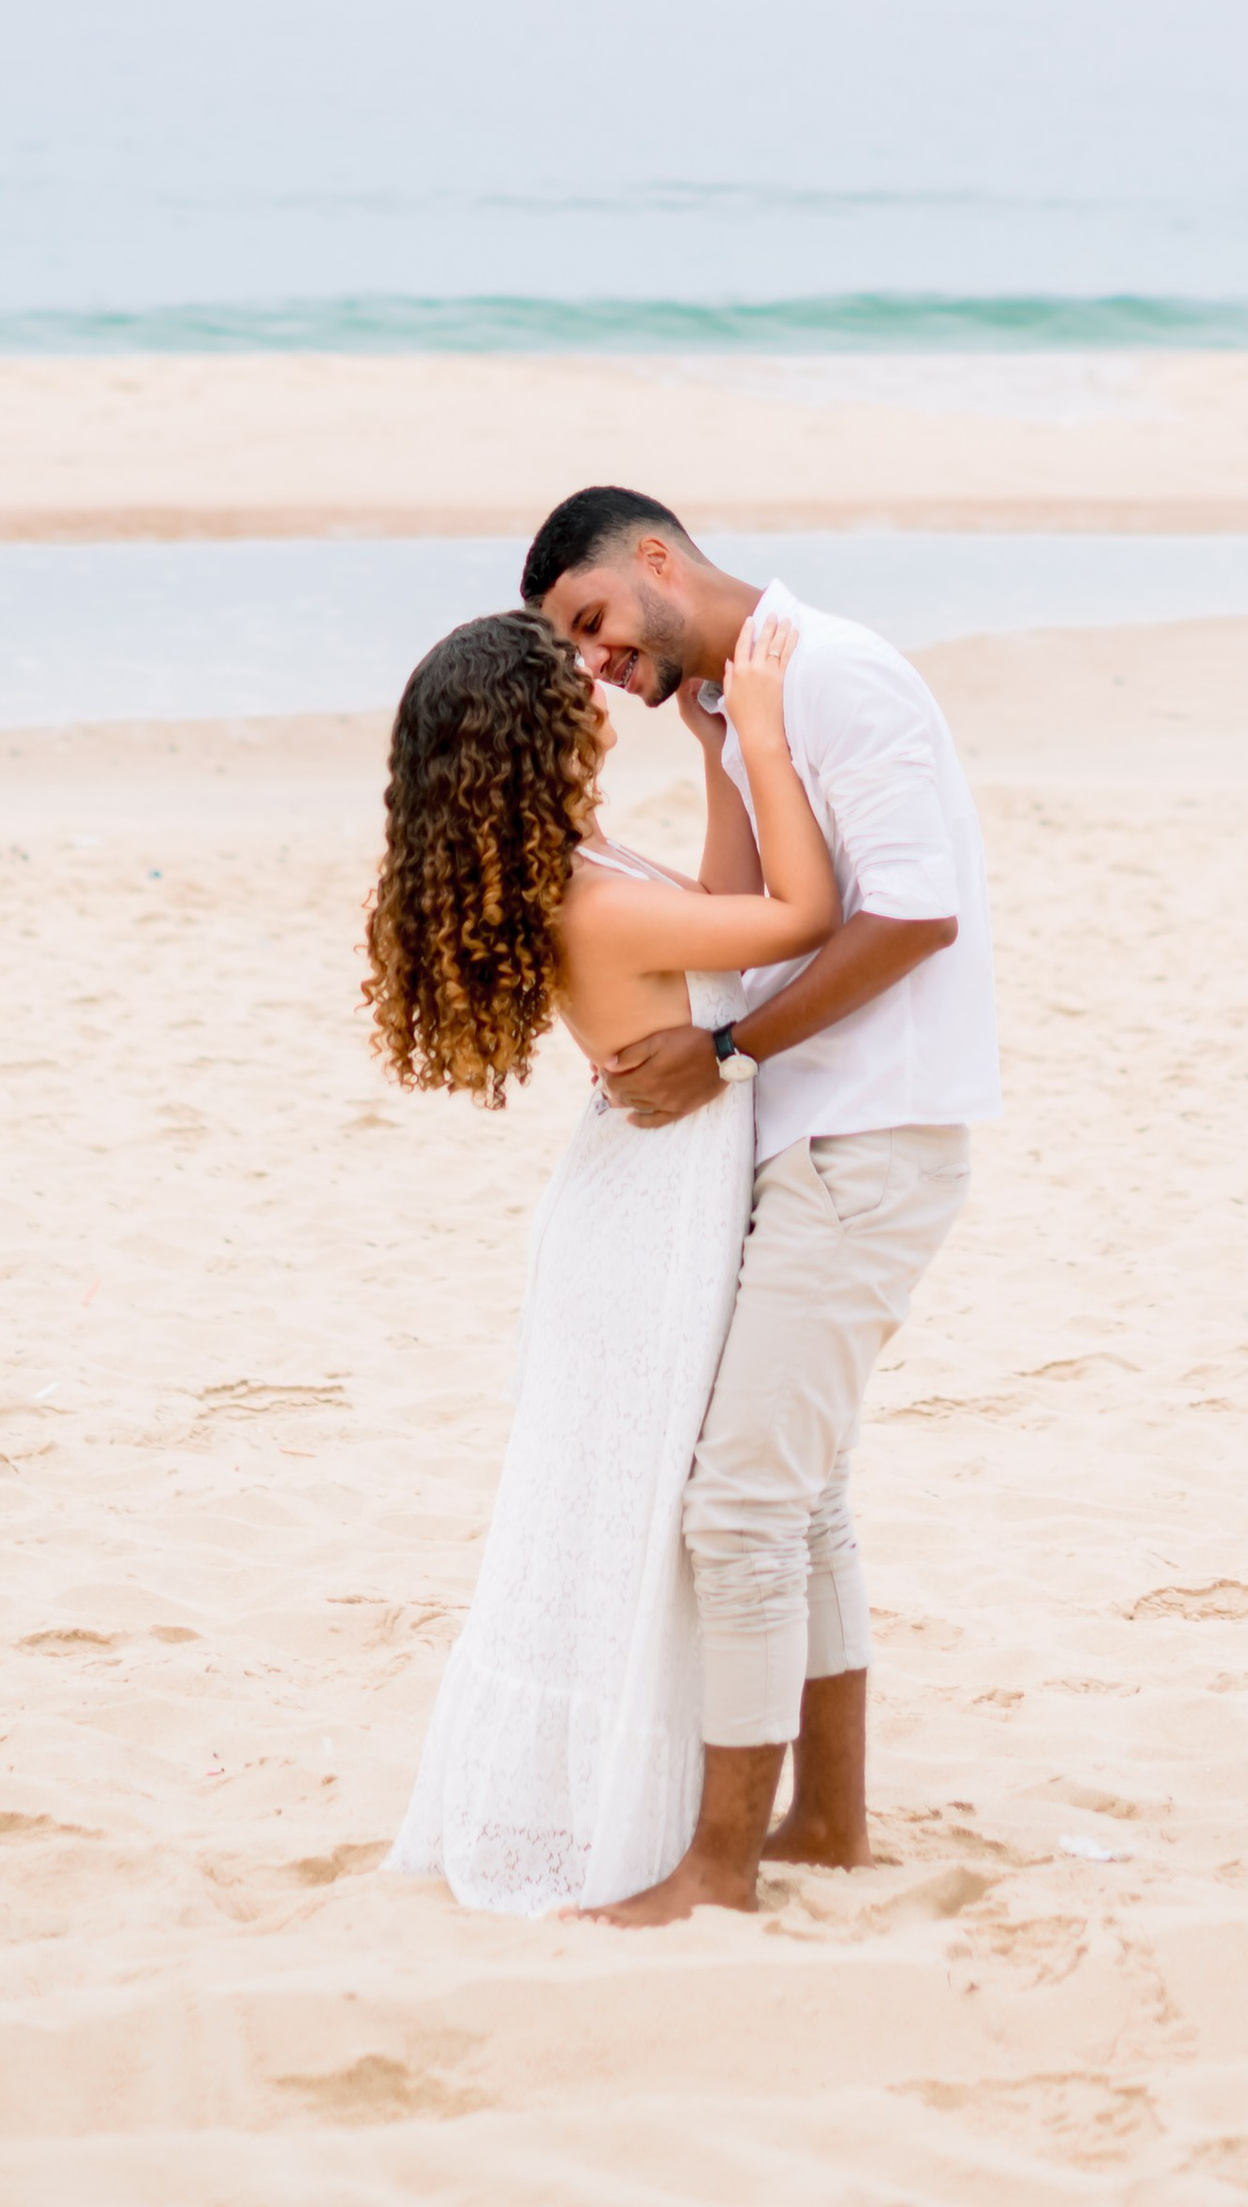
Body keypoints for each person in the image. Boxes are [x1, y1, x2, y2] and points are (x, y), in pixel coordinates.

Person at [522, 485, 999, 1924]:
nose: (597, 663)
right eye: (577, 653)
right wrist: (725, 750)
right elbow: (741, 928)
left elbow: (914, 914)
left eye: (597, 624)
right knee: (801, 1501)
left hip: (871, 1131)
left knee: (735, 1513)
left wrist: (725, 1056)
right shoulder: (743, 707)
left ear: (658, 560)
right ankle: (828, 1829)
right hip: (806, 1136)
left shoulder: (837, 674)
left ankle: (720, 1871)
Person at [369, 600, 849, 1913]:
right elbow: (798, 916)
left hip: (649, 1198)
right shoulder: (587, 901)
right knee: (635, 1499)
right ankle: (628, 1817)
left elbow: (727, 908)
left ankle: (665, 1799)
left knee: (644, 1492)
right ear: (533, 731)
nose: (596, 676)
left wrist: (712, 761)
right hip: (650, 1221)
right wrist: (757, 731)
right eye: (569, 671)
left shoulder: (582, 864)